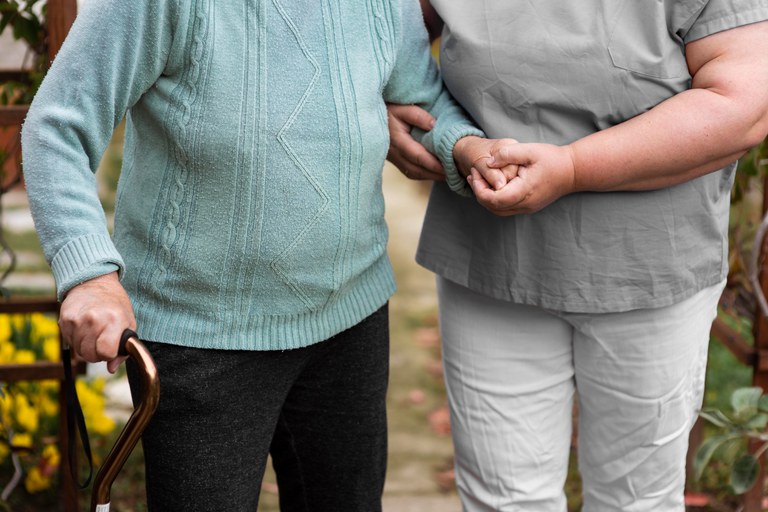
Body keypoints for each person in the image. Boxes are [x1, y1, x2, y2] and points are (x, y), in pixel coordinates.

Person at [20, 1, 498, 510]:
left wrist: (463, 145)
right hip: (202, 337)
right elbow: (57, 127)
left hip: (351, 322)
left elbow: (421, 94)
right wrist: (90, 275)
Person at [387, 1, 768, 510]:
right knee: (504, 499)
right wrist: (405, 109)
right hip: (492, 256)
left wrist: (572, 167)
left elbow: (742, 104)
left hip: (647, 268)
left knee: (636, 501)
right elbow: (383, 35)